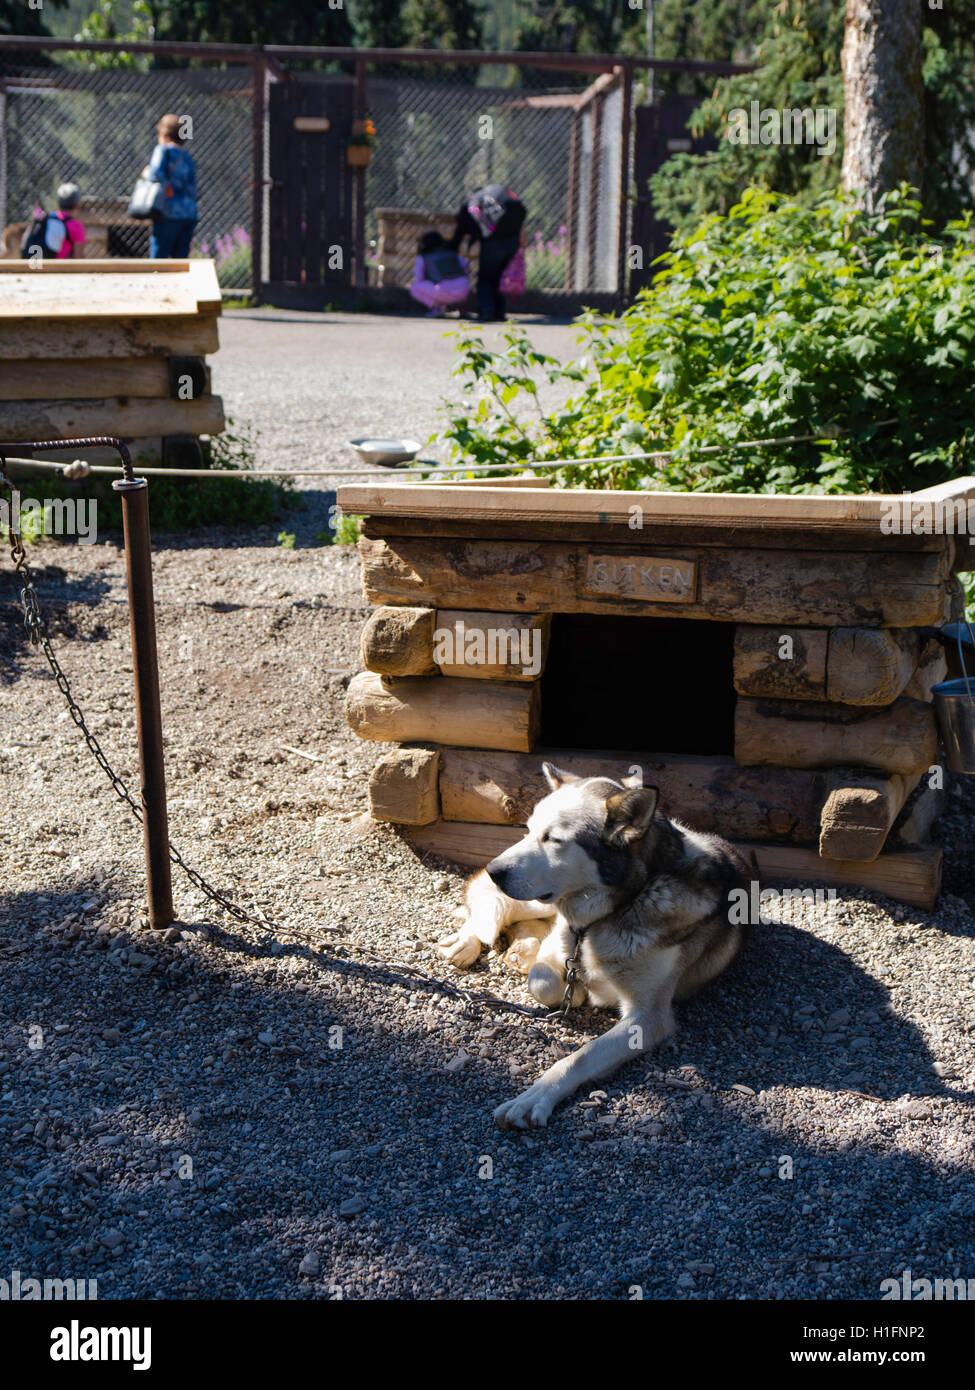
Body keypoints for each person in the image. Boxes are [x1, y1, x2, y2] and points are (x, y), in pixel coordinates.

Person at [448, 183, 526, 322]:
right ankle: (499, 313)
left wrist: (452, 247)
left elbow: (461, 229)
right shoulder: (499, 191)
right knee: (497, 277)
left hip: (494, 240)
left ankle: (486, 311)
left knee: (485, 277)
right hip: (511, 241)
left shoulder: (471, 202)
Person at [147, 113, 197, 258]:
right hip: (189, 214)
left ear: (163, 133)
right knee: (180, 262)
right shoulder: (187, 157)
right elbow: (193, 190)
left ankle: (155, 282)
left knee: (159, 260)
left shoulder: (162, 151)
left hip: (167, 212)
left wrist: (146, 173)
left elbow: (155, 174)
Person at [408, 230, 470, 317]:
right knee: (461, 281)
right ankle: (462, 308)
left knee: (414, 287)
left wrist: (432, 278)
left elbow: (419, 278)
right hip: (464, 290)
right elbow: (465, 266)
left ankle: (438, 308)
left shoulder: (424, 257)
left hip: (442, 291)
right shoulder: (451, 252)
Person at [20, 182, 86, 260]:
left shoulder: (47, 219)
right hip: (61, 269)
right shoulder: (76, 226)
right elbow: (78, 257)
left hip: (39, 267)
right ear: (78, 205)